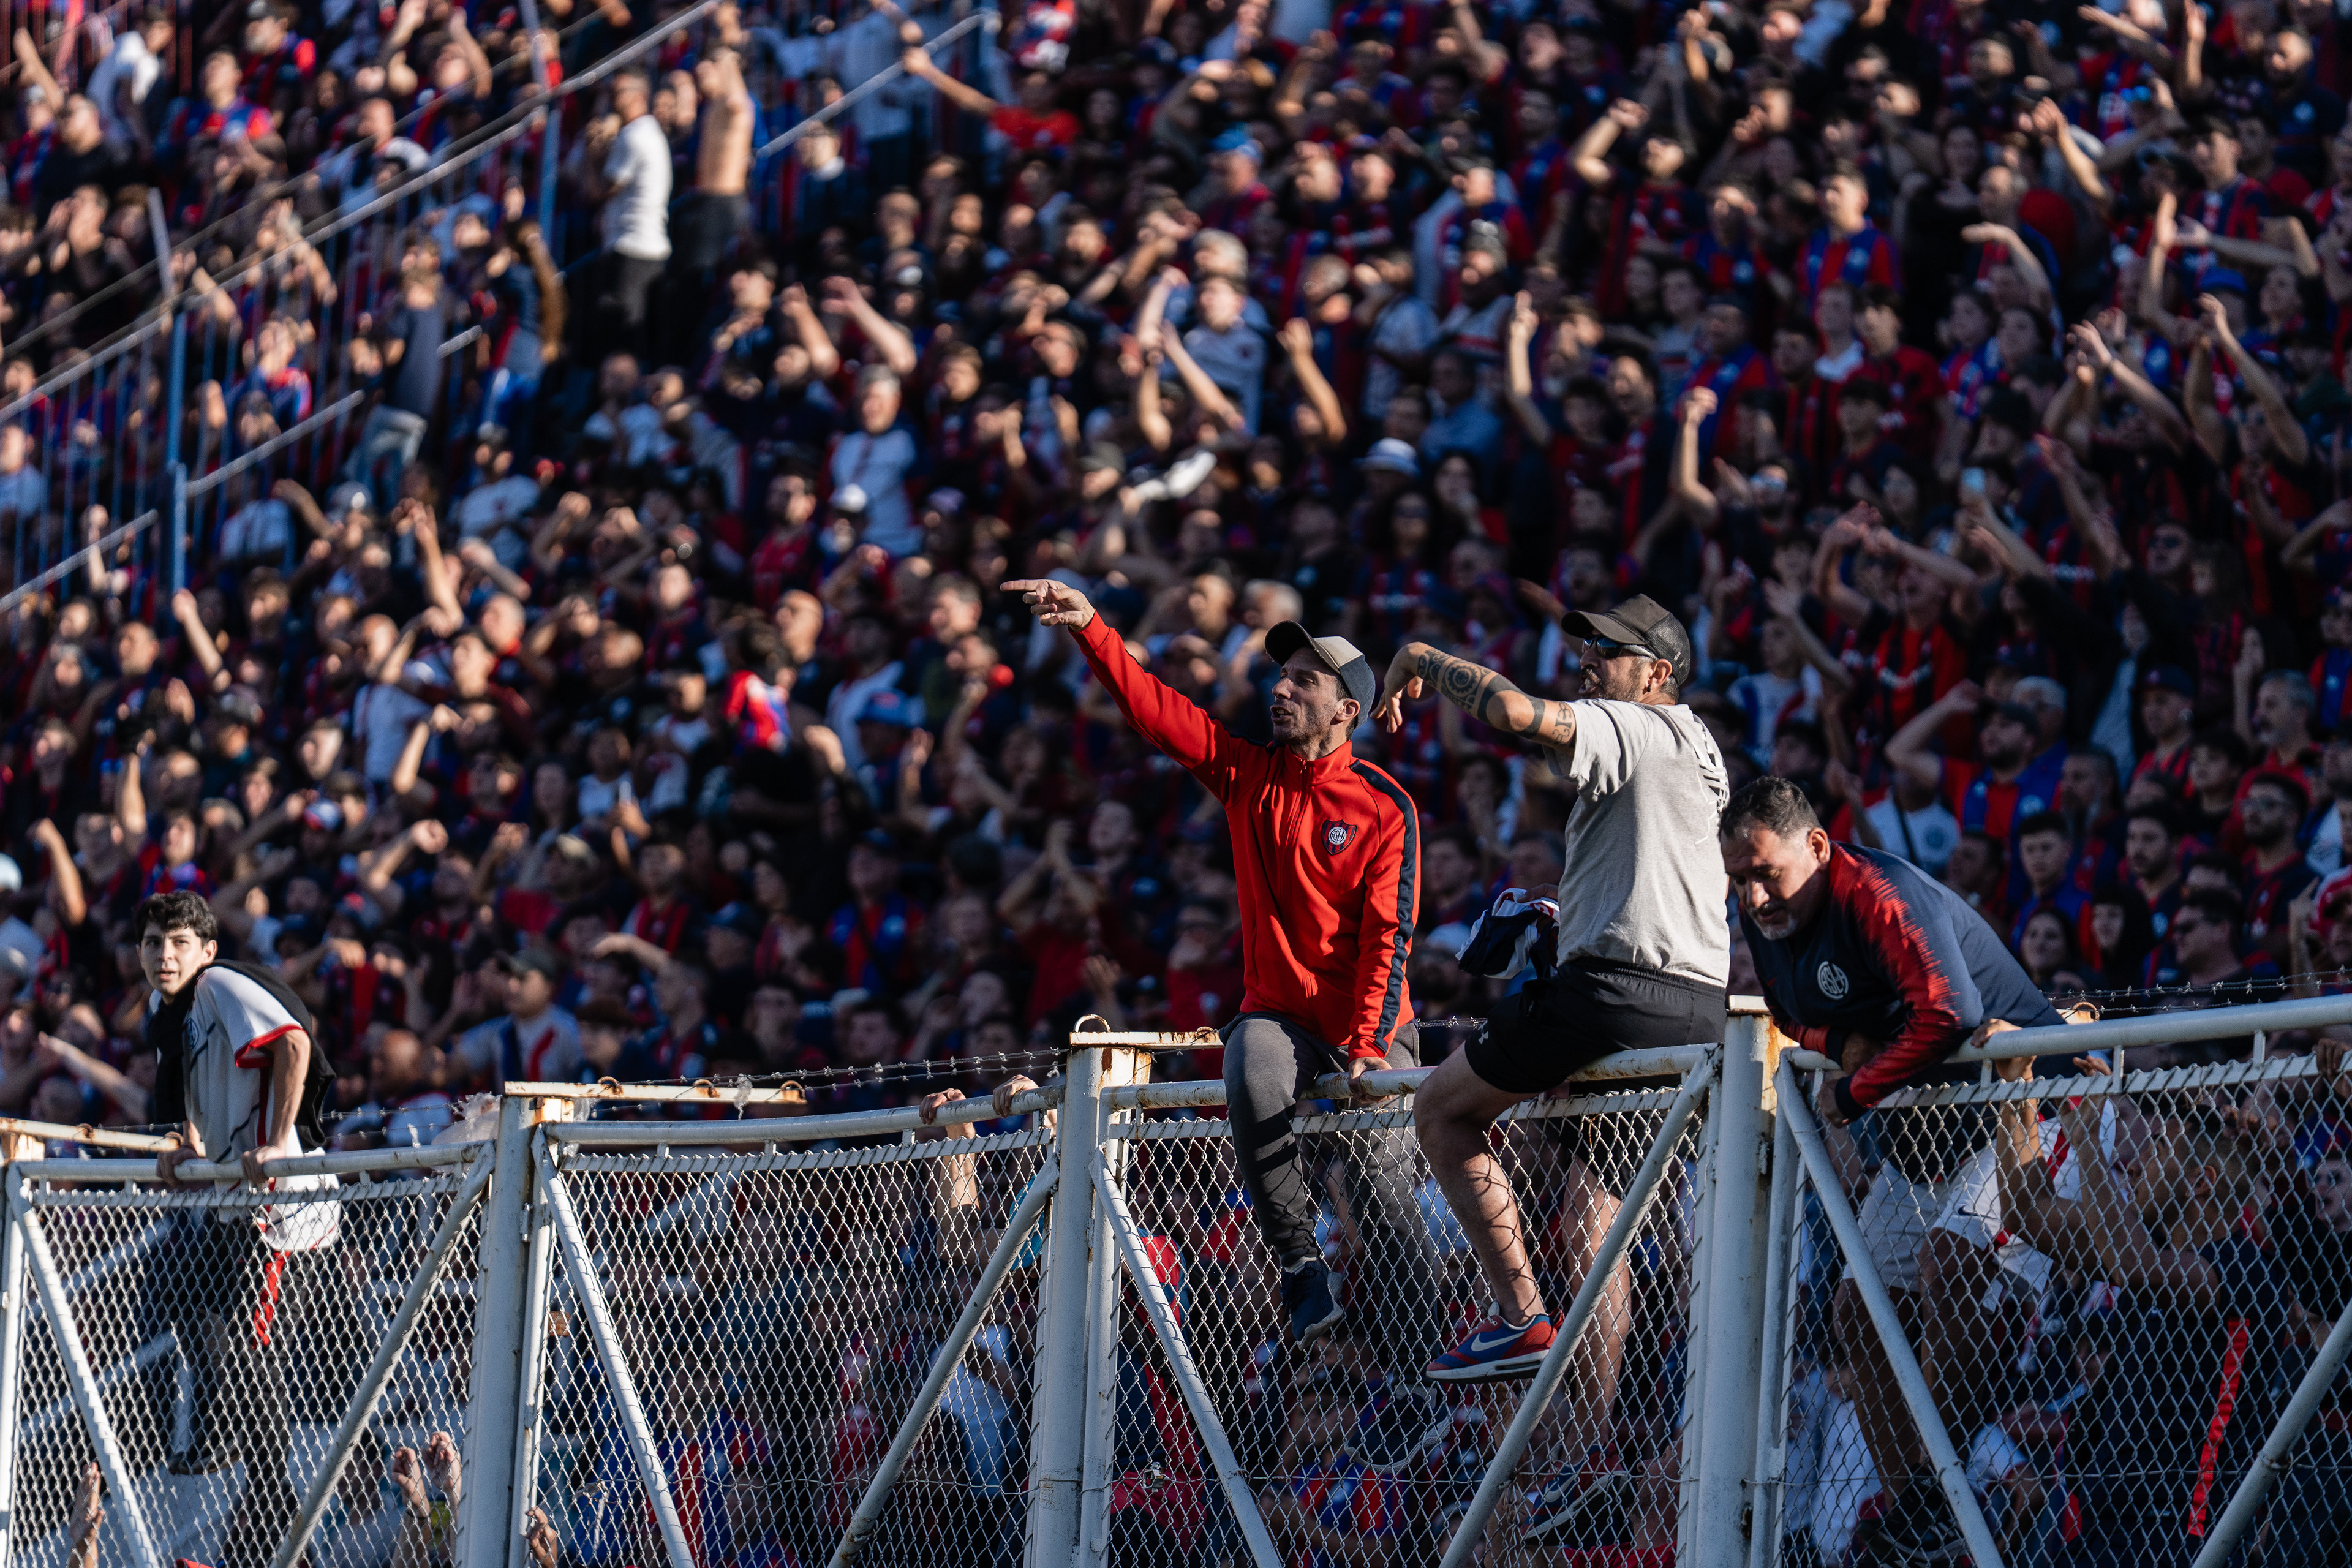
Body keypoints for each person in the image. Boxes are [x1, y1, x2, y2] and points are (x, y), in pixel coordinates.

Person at [997, 576, 1442, 1450]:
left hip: (1370, 1023)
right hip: (1279, 1016)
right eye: (1281, 677)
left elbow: (1392, 939)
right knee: (1251, 1061)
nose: (1281, 687)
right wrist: (1092, 625)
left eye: (1304, 681)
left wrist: (1363, 1048)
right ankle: (1300, 1265)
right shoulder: (1247, 777)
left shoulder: (1387, 806)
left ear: (1347, 710)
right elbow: (1156, 710)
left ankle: (1422, 1369)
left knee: (1386, 1193)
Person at [1371, 594, 1727, 1508]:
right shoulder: (1694, 748)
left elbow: (1520, 715)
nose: (1585, 659)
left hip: (1609, 993)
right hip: (1692, 1003)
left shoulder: (1638, 726)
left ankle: (1517, 1317)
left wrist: (1421, 654)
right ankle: (1581, 1455)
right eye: (1583, 646)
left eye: (1605, 650)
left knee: (1441, 1112)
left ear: (1656, 673)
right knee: (1594, 1217)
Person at [1717, 776, 2066, 1564]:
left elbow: (1953, 1013)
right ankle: (1925, 1501)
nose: (1755, 893)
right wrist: (1844, 1048)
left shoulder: (1878, 890)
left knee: (1949, 1265)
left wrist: (1856, 1086)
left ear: (1815, 845)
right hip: (1921, 1132)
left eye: (1766, 871)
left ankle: (1951, 1470)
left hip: (2014, 1108)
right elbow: (1787, 1009)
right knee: (1854, 1312)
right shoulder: (1762, 909)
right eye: (1739, 877)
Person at [141, 889, 334, 1567]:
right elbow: (185, 1099)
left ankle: (275, 1509)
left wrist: (280, 1137)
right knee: (197, 1319)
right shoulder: (168, 1012)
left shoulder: (220, 984)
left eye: (179, 943)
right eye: (153, 944)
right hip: (231, 1199)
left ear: (208, 951)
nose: (165, 956)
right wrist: (182, 1143)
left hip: (282, 1205)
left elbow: (292, 1040)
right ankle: (272, 1510)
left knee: (242, 1347)